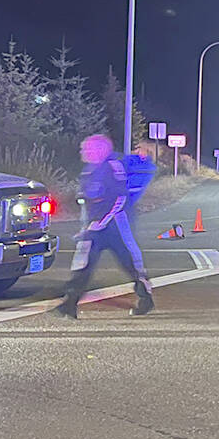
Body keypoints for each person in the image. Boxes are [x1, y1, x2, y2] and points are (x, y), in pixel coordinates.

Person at [53, 133, 154, 319]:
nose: (82, 152)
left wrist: (100, 223)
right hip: (95, 227)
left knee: (131, 263)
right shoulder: (89, 171)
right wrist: (86, 227)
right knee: (84, 263)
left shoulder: (112, 167)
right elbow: (87, 202)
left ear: (99, 150)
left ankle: (146, 299)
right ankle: (69, 303)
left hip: (117, 226)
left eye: (87, 148)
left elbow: (119, 198)